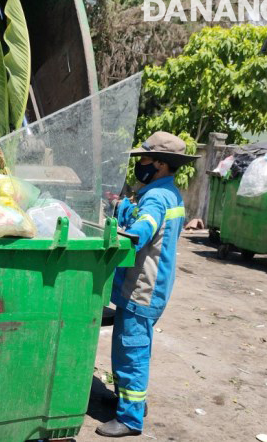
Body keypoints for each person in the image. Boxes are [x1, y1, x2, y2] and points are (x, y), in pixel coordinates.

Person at [96, 131, 199, 438]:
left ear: (161, 164)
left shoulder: (155, 197)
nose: (139, 163)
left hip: (144, 289)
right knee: (126, 346)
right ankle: (128, 400)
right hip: (151, 286)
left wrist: (116, 236)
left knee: (132, 350)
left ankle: (130, 419)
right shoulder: (167, 192)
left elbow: (144, 230)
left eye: (144, 158)